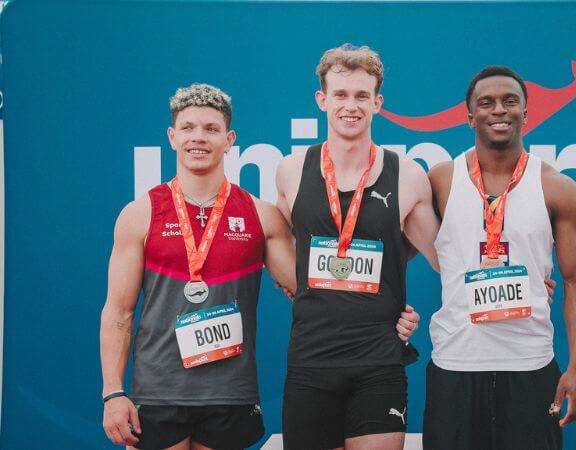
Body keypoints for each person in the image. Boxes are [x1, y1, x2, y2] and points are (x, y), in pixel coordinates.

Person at [100, 83, 297, 450]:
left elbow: (309, 292)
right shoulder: (139, 214)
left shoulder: (261, 215)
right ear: (172, 137)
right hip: (158, 392)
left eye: (211, 129)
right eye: (188, 128)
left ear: (229, 139)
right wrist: (113, 393)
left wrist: (385, 312)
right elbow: (119, 312)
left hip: (230, 393)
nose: (198, 138)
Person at [275, 44, 439, 450]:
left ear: (378, 103)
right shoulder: (291, 171)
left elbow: (448, 259)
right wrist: (291, 281)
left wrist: (523, 277)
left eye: (362, 96)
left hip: (378, 361)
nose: (351, 106)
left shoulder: (408, 177)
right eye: (341, 95)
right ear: (322, 100)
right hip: (311, 359)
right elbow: (287, 249)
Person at [423, 66, 576, 450]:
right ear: (470, 117)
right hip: (455, 365)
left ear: (525, 113)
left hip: (531, 366)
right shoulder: (440, 180)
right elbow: (395, 248)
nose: (499, 110)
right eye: (486, 103)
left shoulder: (557, 188)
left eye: (510, 101)